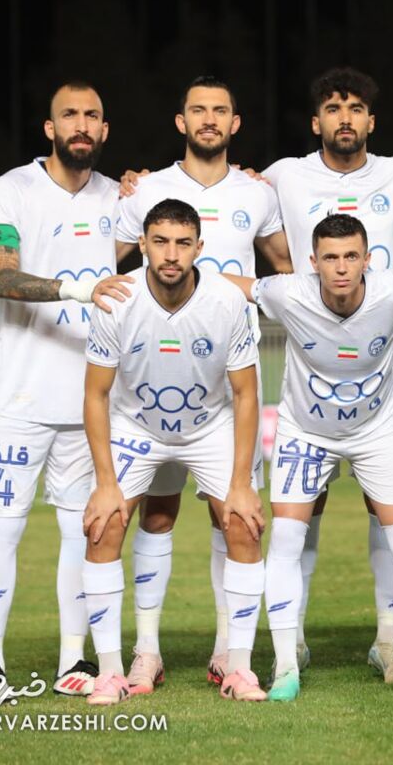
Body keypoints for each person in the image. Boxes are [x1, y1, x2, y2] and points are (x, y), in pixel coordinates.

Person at [231, 214, 393, 701]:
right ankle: (286, 667)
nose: (341, 267)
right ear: (313, 262)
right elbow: (233, 285)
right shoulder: (287, 292)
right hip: (305, 433)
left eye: (351, 256)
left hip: (377, 433)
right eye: (331, 258)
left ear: (367, 260)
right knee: (286, 540)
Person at [112, 76, 282, 691]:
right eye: (197, 110)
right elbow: (110, 268)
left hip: (229, 382)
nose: (209, 119)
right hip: (152, 383)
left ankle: (227, 653)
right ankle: (146, 652)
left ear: (235, 124)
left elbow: (286, 273)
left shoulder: (258, 193)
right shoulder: (145, 190)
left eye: (220, 111)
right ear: (180, 122)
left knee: (230, 514)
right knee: (157, 514)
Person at [260, 67, 393, 683]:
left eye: (356, 107)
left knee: (388, 511)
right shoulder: (281, 175)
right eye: (333, 108)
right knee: (305, 509)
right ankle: (293, 640)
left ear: (371, 121)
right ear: (316, 122)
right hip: (314, 365)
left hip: (383, 367)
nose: (345, 117)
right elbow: (224, 200)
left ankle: (389, 639)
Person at [0, 80, 130, 697]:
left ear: (105, 130)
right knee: (4, 528)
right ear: (50, 128)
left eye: (92, 115)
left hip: (89, 399)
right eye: (70, 115)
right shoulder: (11, 190)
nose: (81, 125)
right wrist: (77, 289)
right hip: (18, 396)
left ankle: (74, 659)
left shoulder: (118, 197)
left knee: (80, 533)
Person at [80, 198, 266, 705]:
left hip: (209, 425)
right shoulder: (117, 300)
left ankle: (238, 666)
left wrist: (242, 483)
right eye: (160, 241)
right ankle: (116, 671)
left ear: (199, 247)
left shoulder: (227, 301)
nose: (171, 254)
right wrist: (105, 483)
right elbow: (96, 395)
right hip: (136, 425)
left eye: (183, 243)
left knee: (243, 523)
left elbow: (246, 394)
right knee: (104, 524)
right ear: (142, 243)